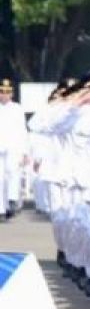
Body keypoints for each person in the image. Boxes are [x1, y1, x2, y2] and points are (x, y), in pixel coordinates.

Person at [0, 76, 29, 218]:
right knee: (0, 178)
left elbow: (23, 131)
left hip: (13, 147)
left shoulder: (18, 109)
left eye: (7, 92)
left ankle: (11, 200)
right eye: (2, 91)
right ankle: (1, 208)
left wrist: (25, 152)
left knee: (13, 174)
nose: (4, 94)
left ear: (12, 93)